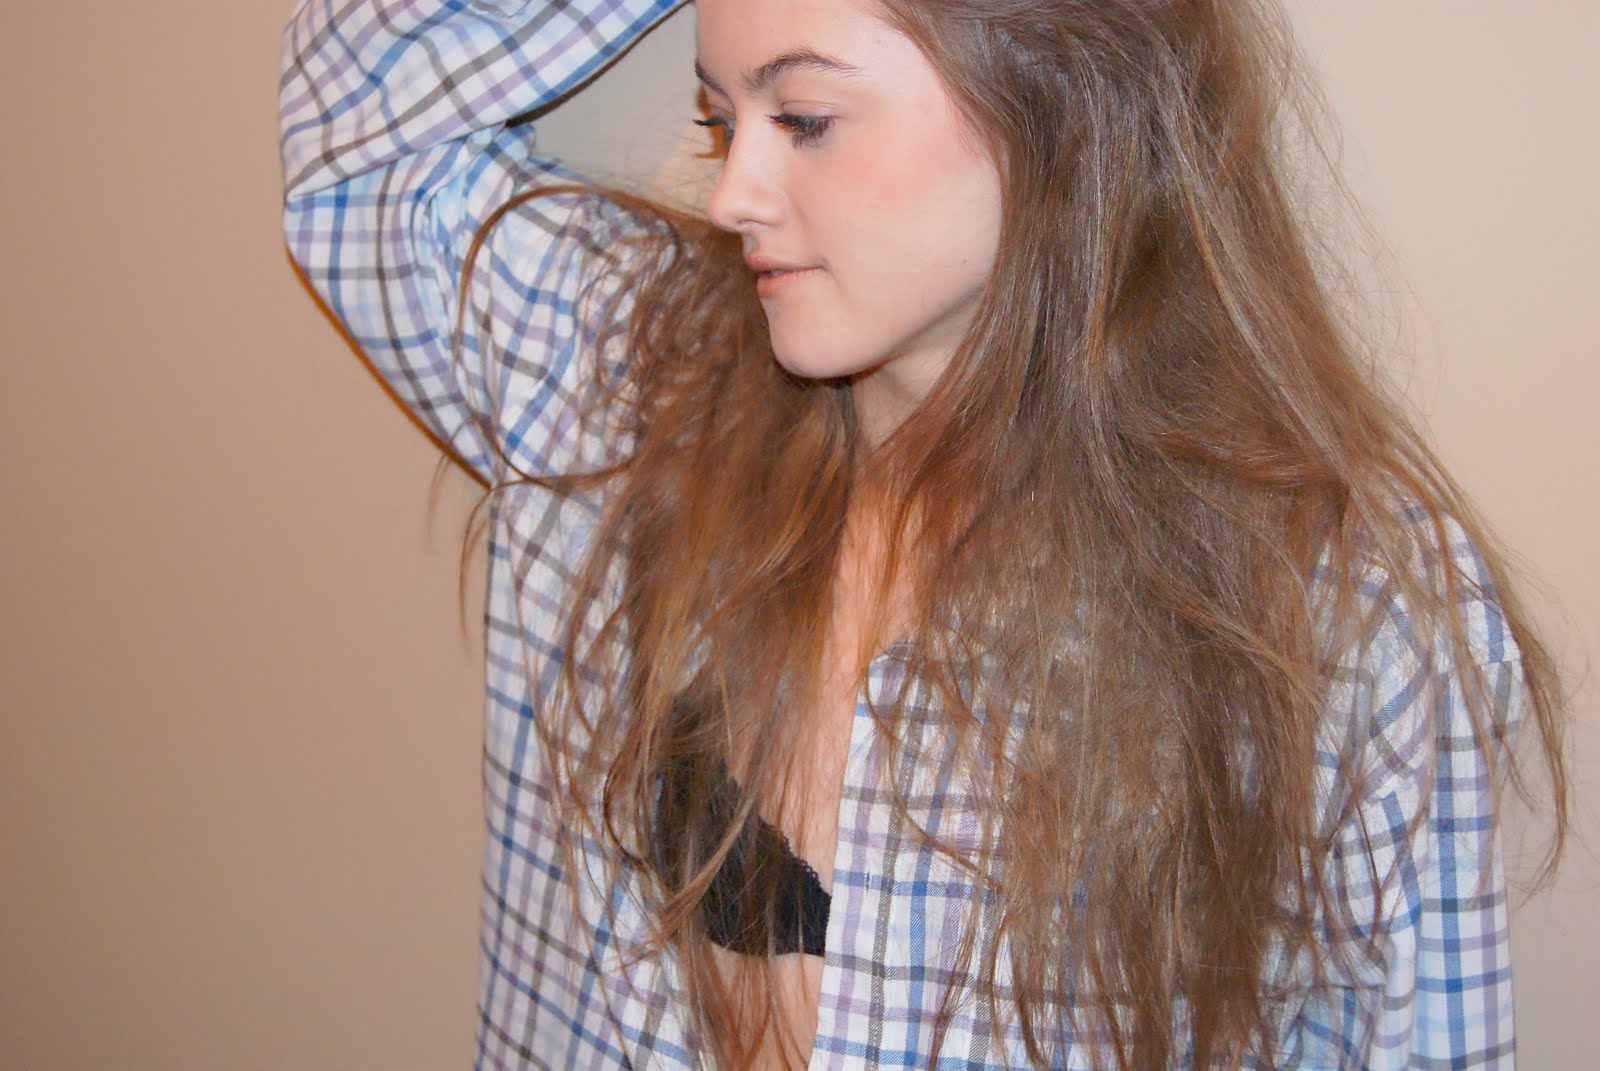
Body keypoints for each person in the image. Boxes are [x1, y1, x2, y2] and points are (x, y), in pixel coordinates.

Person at [279, 0, 1568, 1068]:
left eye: (805, 119)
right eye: (719, 121)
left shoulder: (1331, 616)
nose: (733, 192)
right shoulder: (616, 377)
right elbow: (354, 120)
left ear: (1061, 101)